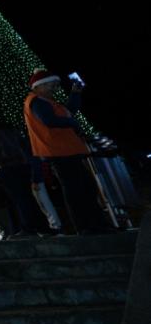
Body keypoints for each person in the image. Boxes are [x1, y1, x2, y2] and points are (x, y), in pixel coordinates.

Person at [23, 70, 107, 234]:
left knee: (85, 188)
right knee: (77, 190)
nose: (54, 88)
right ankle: (87, 226)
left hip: (66, 150)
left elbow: (69, 111)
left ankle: (96, 224)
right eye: (51, 85)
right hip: (59, 152)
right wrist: (72, 123)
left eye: (55, 85)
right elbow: (50, 121)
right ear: (39, 86)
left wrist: (75, 94)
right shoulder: (37, 101)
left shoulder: (47, 101)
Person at [0, 113, 56, 236]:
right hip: (22, 164)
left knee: (18, 198)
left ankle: (28, 228)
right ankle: (43, 227)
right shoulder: (7, 126)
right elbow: (23, 144)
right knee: (28, 196)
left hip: (5, 165)